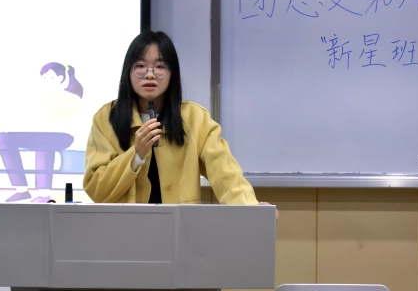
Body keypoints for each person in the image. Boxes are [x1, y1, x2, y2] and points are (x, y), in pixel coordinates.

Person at [83, 31, 278, 217]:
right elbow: (96, 189)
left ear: (172, 73)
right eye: (140, 66)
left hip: (179, 229)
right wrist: (136, 155)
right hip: (125, 230)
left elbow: (225, 172)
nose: (150, 75)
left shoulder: (195, 118)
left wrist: (251, 208)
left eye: (160, 67)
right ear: (128, 71)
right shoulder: (106, 118)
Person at [0, 63, 83, 202]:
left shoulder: (71, 98)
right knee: (3, 138)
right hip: (40, 134)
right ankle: (21, 189)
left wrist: (52, 126)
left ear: (60, 78)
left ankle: (44, 193)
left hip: (62, 136)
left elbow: (76, 122)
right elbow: (35, 120)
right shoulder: (42, 98)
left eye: (51, 77)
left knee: (44, 141)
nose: (47, 80)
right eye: (44, 77)